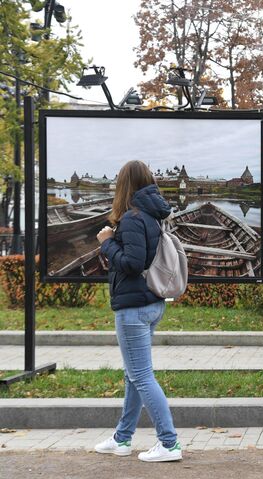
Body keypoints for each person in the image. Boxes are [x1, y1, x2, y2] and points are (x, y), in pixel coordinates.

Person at [93, 160, 182, 463]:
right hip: (151, 303)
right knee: (134, 375)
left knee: (141, 376)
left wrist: (106, 243)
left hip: (133, 307)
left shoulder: (132, 218)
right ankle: (122, 438)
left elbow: (132, 264)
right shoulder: (154, 215)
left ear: (123, 185)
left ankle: (169, 443)